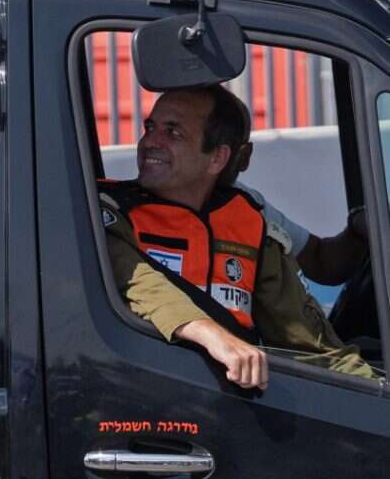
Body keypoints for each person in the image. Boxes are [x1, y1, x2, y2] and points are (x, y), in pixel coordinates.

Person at [99, 85, 374, 390]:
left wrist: (373, 391)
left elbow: (306, 340)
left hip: (232, 406)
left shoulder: (249, 220)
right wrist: (211, 334)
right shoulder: (108, 211)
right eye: (150, 127)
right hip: (139, 395)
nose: (150, 141)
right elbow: (138, 280)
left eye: (173, 132)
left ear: (217, 158)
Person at [221, 98, 369, 286]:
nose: (170, 147)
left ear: (243, 156)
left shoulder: (246, 204)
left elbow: (320, 262)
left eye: (176, 134)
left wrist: (359, 227)